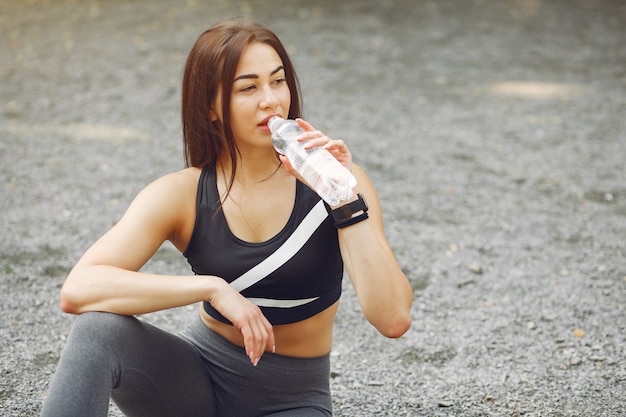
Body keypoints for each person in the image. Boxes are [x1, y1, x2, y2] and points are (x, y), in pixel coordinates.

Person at [39, 17, 414, 417]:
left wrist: (343, 199)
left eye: (278, 81)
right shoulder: (183, 193)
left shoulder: (337, 181)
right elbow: (78, 290)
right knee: (98, 330)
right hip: (193, 384)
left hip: (292, 400)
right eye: (248, 88)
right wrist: (211, 288)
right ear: (211, 108)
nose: (270, 100)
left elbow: (392, 319)